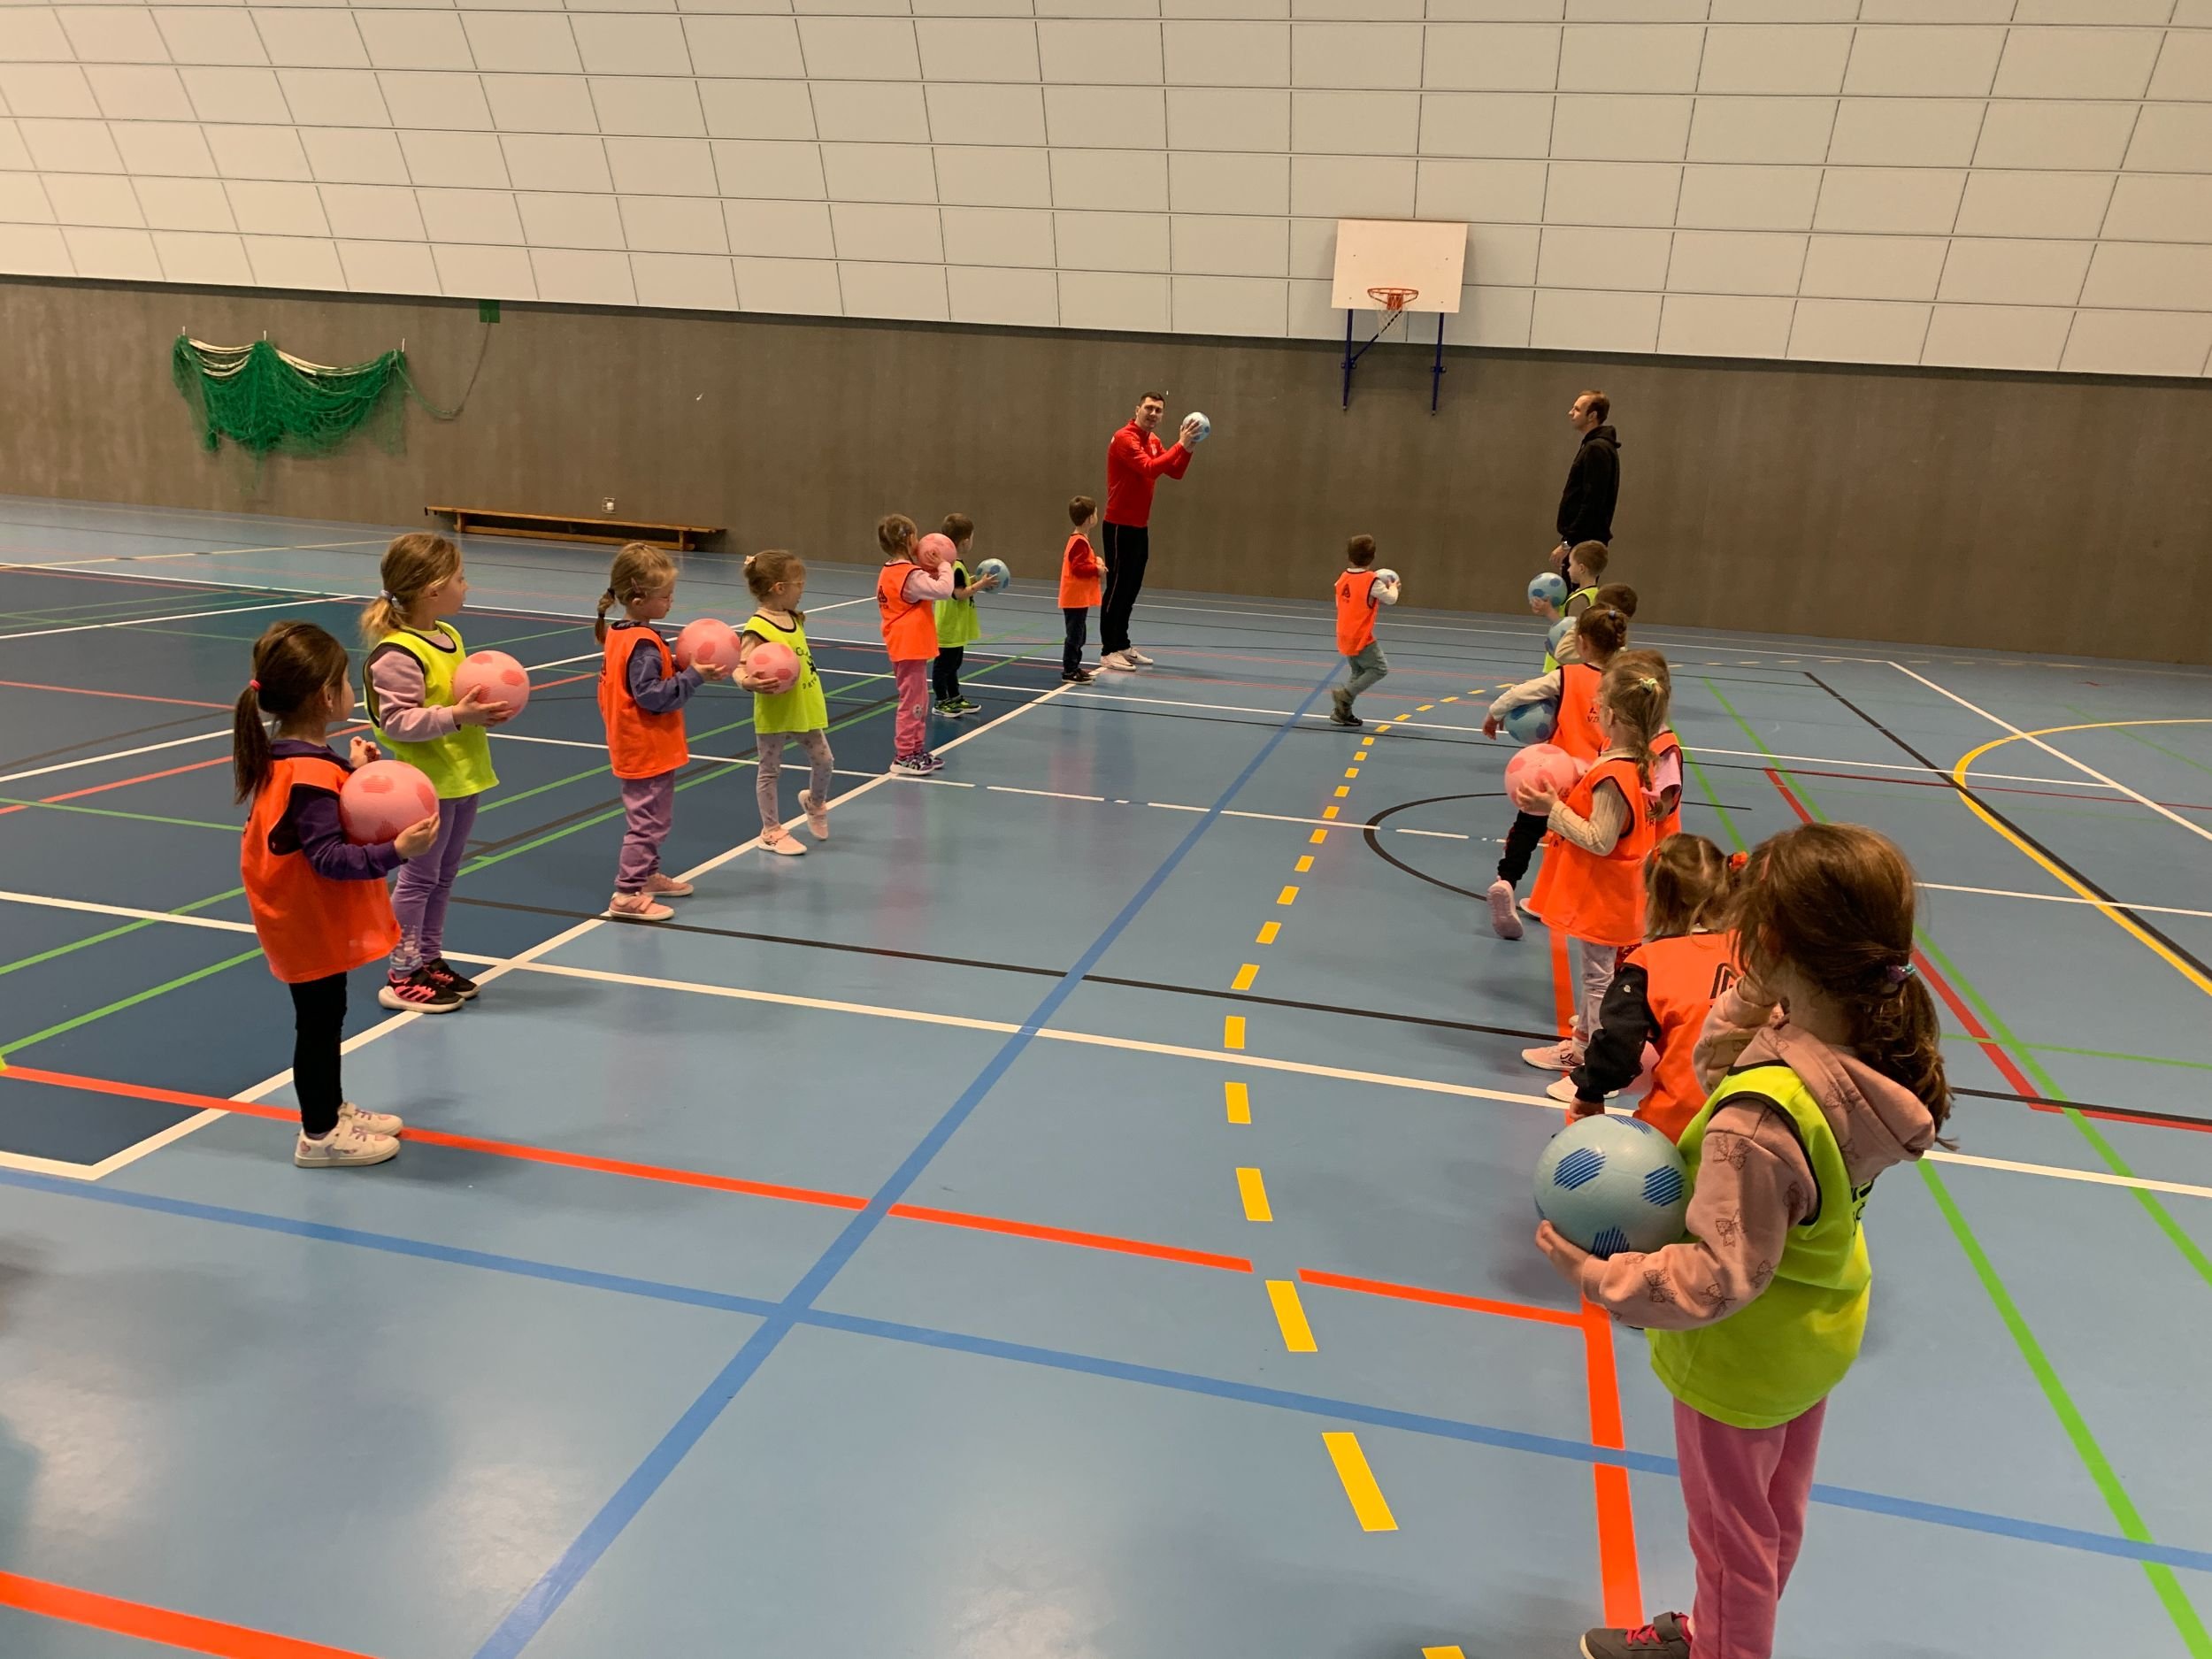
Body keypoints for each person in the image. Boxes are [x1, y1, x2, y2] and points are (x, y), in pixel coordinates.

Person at [1541, 822, 1948, 1659]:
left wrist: (1602, 1275)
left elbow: (1717, 1278)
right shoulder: (1859, 1052)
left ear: (1763, 941)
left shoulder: (1758, 1119)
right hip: (1815, 1329)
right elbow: (1723, 1061)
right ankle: (1723, 1629)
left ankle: (1725, 1644)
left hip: (1741, 1359)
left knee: (1732, 1545)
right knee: (1769, 1521)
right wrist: (1761, 981)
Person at [234, 621, 438, 1168]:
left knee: (327, 1017)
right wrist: (397, 850)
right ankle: (320, 1134)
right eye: (347, 681)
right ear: (327, 697)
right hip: (304, 919)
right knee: (319, 1026)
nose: (352, 690)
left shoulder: (293, 758)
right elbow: (328, 856)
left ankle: (329, 1107)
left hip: (299, 915)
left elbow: (312, 819)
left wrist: (352, 772)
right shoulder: (309, 774)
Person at [360, 533, 514, 1011]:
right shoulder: (398, 653)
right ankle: (402, 972)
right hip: (425, 786)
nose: (466, 587)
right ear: (431, 590)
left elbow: (454, 699)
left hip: (463, 775)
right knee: (419, 879)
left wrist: (479, 710)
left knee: (444, 875)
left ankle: (428, 958)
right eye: (460, 579)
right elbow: (397, 722)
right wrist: (458, 716)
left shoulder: (449, 636)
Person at [1517, 652, 1670, 1072]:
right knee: (1596, 975)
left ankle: (1596, 1065)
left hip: (1606, 895)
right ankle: (1581, 1044)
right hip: (1613, 891)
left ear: (1612, 715)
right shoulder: (1630, 759)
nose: (1594, 710)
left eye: (1598, 704)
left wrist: (1552, 810)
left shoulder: (1615, 774)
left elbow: (1600, 840)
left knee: (1599, 979)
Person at [1551, 833, 1742, 1140]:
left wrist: (1590, 1091)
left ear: (1655, 899)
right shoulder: (1759, 951)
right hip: (1764, 1119)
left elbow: (1619, 1046)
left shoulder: (1650, 963)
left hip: (1684, 1126)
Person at [1481, 605, 1630, 941]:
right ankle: (1561, 899)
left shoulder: (1567, 676)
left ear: (1581, 643)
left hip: (1558, 773)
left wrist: (1494, 713)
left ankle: (1507, 880)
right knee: (1581, 840)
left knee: (1527, 827)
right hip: (1602, 778)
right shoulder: (1625, 682)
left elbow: (1520, 693)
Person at [594, 542, 725, 918]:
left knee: (653, 818)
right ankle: (626, 894)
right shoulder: (643, 644)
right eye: (665, 596)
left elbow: (640, 679)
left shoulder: (622, 633)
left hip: (638, 744)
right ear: (639, 599)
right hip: (644, 747)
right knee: (648, 821)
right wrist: (693, 677)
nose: (670, 601)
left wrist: (678, 665)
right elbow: (652, 696)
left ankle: (647, 875)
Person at [739, 549, 835, 852]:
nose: (802, 590)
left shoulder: (793, 618)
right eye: (799, 584)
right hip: (775, 710)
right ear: (779, 588)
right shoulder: (758, 627)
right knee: (769, 770)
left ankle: (815, 803)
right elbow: (740, 666)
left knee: (825, 760)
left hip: (803, 704)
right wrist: (747, 681)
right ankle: (770, 831)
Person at [1100, 392, 1202, 672]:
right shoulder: (1125, 438)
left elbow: (1175, 471)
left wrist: (1189, 448)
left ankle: (1122, 644)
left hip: (1139, 526)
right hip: (1119, 525)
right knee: (1117, 588)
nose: (1153, 414)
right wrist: (1180, 445)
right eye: (1149, 408)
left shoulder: (1153, 441)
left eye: (1158, 410)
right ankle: (1108, 650)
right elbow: (1150, 469)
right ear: (1137, 409)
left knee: (1131, 588)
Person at [877, 515, 954, 774]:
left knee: (919, 699)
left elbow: (920, 589)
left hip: (906, 644)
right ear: (910, 539)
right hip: (908, 645)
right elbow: (944, 590)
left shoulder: (893, 571)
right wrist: (943, 565)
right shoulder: (909, 575)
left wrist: (929, 570)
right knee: (913, 702)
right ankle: (904, 755)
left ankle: (916, 749)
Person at [932, 512, 1001, 718]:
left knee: (954, 665)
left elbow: (959, 585)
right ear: (964, 541)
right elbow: (959, 593)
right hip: (949, 627)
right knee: (944, 666)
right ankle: (940, 701)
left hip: (956, 626)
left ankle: (954, 697)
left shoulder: (955, 564)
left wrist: (975, 580)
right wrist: (981, 585)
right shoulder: (954, 566)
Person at [1330, 534, 1398, 728]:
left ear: (1349, 556)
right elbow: (1391, 599)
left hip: (1344, 633)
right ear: (1372, 557)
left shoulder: (1343, 578)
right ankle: (1345, 695)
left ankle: (1342, 712)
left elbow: (1340, 603)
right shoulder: (1371, 580)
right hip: (1361, 636)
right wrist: (1393, 587)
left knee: (1358, 671)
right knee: (1379, 668)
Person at [1552, 390, 1619, 574]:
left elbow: (1592, 502)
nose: (1570, 413)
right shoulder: (1597, 446)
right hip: (1582, 540)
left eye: (1577, 409)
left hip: (1584, 543)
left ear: (1592, 416)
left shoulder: (1596, 449)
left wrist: (1568, 543)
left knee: (1579, 589)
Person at [1545, 542, 1612, 671]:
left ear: (1581, 569)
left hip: (1564, 664)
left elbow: (1569, 630)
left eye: (1570, 565)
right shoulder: (1595, 594)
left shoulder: (1580, 599)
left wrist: (1548, 611)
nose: (1568, 569)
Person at [1060, 495, 1103, 685]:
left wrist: (1096, 561)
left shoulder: (1081, 540)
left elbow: (1083, 562)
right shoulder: (1079, 541)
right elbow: (1078, 568)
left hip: (1079, 597)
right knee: (1075, 636)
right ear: (1089, 519)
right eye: (1095, 513)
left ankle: (1074, 666)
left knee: (1080, 634)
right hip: (1074, 598)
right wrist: (1096, 569)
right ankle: (1069, 670)